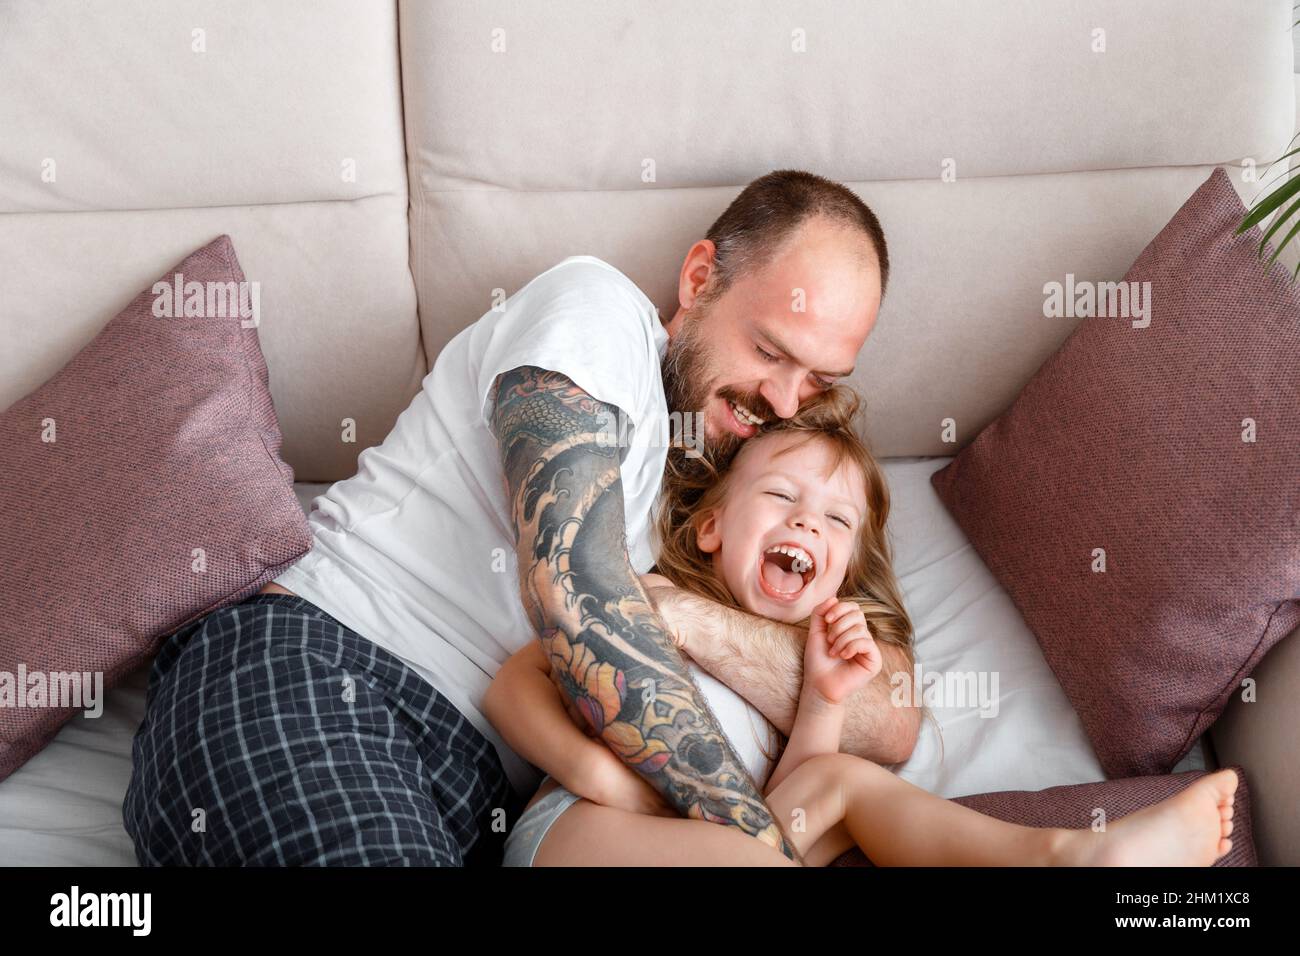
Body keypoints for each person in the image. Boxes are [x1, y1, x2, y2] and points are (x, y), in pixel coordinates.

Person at [123, 169, 918, 865]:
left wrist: (679, 614)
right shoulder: (597, 313)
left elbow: (889, 723)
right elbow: (577, 595)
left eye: (818, 381)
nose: (783, 402)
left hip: (476, 800)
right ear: (700, 276)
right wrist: (758, 847)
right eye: (771, 352)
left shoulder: (731, 503)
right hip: (321, 676)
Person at [486, 388, 1240, 866]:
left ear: (843, 570)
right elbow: (513, 685)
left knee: (844, 783)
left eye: (835, 519)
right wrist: (597, 778)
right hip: (578, 835)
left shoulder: (809, 664)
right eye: (781, 495)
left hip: (735, 844)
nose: (806, 520)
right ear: (711, 527)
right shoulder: (654, 599)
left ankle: (1060, 858)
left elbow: (783, 813)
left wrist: (822, 701)